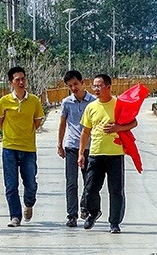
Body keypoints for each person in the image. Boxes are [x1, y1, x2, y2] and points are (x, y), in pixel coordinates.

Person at [78, 74, 138, 234]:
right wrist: (81, 153)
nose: (96, 89)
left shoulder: (119, 104)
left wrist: (118, 128)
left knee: (116, 190)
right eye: (94, 86)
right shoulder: (91, 107)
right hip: (95, 153)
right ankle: (94, 212)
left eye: (99, 86)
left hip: (115, 154)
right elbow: (85, 132)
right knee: (90, 189)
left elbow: (134, 122)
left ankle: (114, 222)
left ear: (108, 87)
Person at [0, 66, 45, 227]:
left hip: (28, 148)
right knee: (11, 184)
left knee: (30, 183)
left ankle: (29, 203)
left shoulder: (34, 101)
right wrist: (11, 134)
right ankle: (15, 216)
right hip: (9, 147)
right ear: (11, 83)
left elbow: (37, 122)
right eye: (17, 79)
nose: (21, 82)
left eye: (23, 78)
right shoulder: (4, 101)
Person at [57, 70, 96, 228]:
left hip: (90, 147)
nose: (73, 88)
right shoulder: (67, 102)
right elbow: (62, 123)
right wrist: (59, 144)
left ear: (82, 82)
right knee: (71, 182)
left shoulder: (93, 102)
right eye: (70, 86)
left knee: (89, 181)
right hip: (72, 146)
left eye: (75, 84)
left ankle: (84, 205)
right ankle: (71, 215)